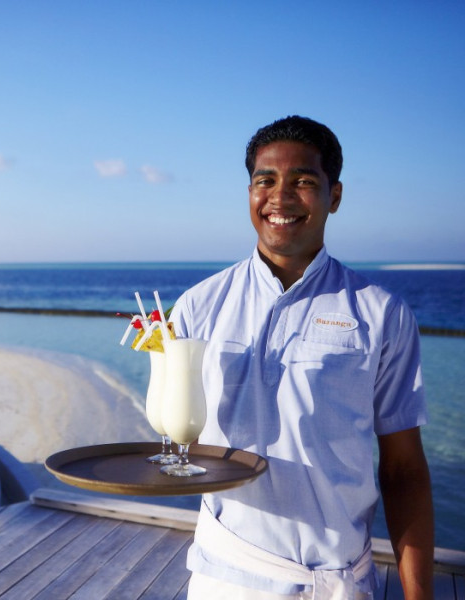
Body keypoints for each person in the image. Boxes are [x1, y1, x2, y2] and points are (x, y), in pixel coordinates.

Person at [169, 115, 434, 600]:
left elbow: (403, 471)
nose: (281, 197)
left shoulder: (381, 313)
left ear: (335, 196)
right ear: (249, 192)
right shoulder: (198, 307)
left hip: (335, 583)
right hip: (223, 576)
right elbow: (176, 438)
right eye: (265, 180)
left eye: (304, 182)